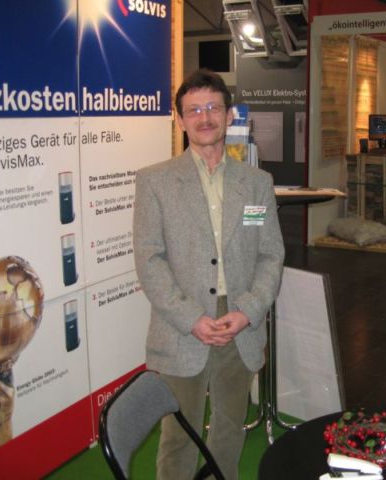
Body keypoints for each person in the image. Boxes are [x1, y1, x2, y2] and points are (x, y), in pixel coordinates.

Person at [133, 69, 285, 480]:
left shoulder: (257, 183)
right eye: (194, 110)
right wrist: (191, 318)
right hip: (183, 323)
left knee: (229, 428)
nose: (205, 118)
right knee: (178, 434)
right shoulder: (155, 181)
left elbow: (271, 254)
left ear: (229, 114)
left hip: (239, 320)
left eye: (213, 108)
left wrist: (248, 310)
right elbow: (149, 260)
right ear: (180, 119)